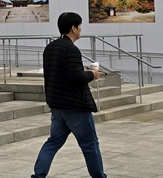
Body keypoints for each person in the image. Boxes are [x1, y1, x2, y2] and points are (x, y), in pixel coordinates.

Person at [31, 12, 107, 178]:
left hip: (57, 105)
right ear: (73, 28)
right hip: (75, 106)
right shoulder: (71, 49)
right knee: (90, 145)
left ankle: (38, 176)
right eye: (79, 26)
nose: (80, 29)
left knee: (53, 143)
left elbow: (53, 75)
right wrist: (92, 75)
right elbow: (75, 77)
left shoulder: (50, 47)